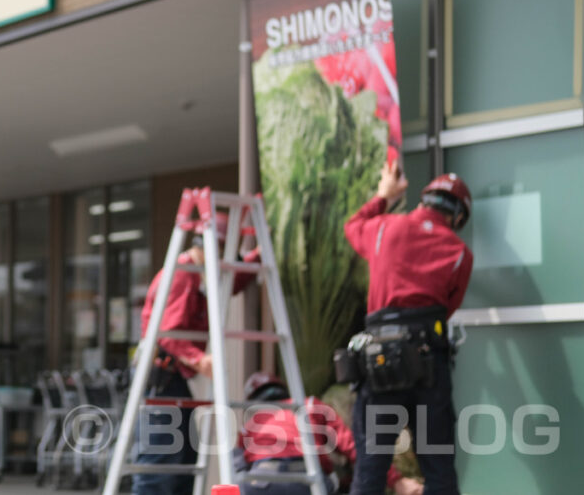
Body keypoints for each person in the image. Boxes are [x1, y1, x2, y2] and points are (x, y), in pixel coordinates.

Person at [344, 161, 473, 495]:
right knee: (439, 469)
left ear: (422, 202)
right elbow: (447, 308)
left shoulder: (384, 228)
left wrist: (383, 196)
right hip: (429, 367)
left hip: (380, 364)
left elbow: (353, 225)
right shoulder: (460, 253)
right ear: (457, 218)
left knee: (371, 469)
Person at [132, 213, 257, 495]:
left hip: (172, 377)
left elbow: (234, 280)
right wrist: (199, 360)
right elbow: (167, 331)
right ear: (206, 248)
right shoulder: (181, 274)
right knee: (160, 461)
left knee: (184, 460)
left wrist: (258, 255)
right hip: (160, 374)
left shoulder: (201, 273)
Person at [235, 372, 421, 495]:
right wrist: (397, 481)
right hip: (308, 484)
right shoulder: (309, 405)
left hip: (260, 486)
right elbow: (353, 446)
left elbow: (238, 463)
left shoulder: (252, 423)